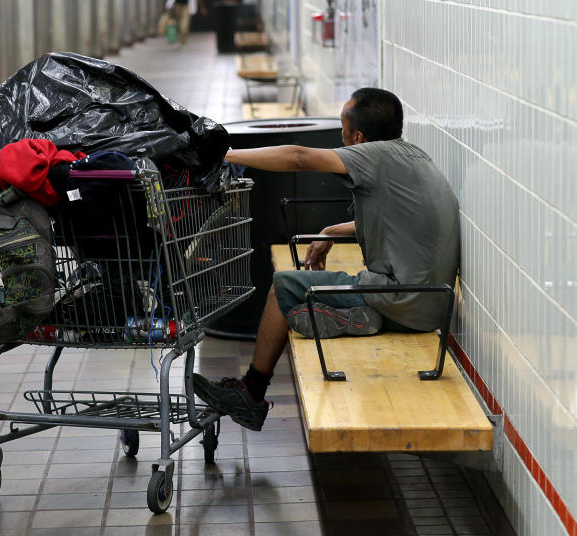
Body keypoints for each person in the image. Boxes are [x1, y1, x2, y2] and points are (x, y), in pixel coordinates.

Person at [193, 88, 460, 431]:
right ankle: (355, 315)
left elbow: (298, 157)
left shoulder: (370, 156)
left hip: (402, 299)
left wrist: (224, 156)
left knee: (284, 286)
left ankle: (252, 393)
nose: (340, 135)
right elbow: (401, 222)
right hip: (428, 302)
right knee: (314, 284)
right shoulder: (412, 156)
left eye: (342, 128)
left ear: (358, 137)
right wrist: (333, 231)